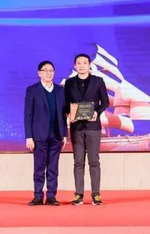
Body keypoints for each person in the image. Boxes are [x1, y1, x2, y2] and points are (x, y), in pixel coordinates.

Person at [64, 53, 109, 205]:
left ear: (90, 65)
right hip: (76, 127)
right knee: (78, 162)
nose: (82, 65)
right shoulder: (69, 83)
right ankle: (79, 194)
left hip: (93, 127)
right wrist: (69, 113)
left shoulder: (98, 81)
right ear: (74, 66)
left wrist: (97, 112)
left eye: (85, 63)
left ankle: (96, 194)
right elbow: (65, 104)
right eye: (79, 63)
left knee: (94, 161)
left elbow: (105, 102)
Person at [24, 60, 67, 206]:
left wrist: (64, 134)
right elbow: (28, 115)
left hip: (56, 135)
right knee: (39, 167)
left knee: (53, 168)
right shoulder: (32, 90)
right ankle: (37, 195)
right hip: (38, 136)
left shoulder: (60, 90)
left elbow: (63, 114)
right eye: (45, 70)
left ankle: (51, 196)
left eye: (51, 70)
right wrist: (29, 136)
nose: (48, 73)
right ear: (39, 73)